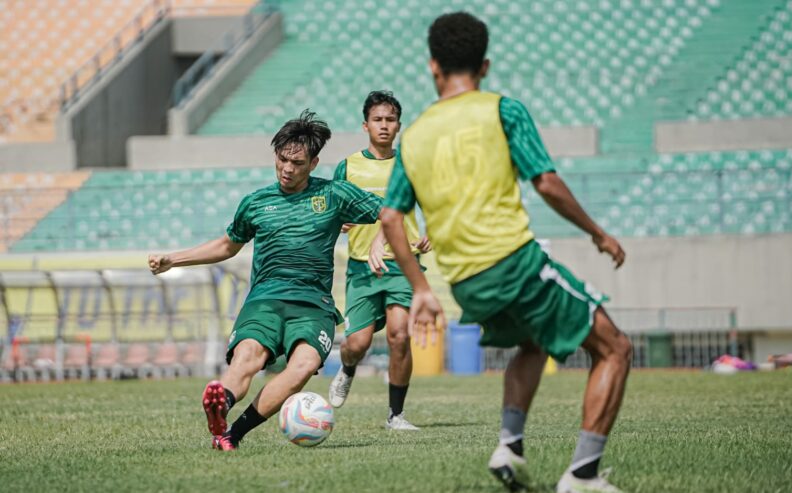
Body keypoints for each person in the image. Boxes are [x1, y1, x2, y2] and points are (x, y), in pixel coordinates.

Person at [379, 12, 633, 493]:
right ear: (486, 65)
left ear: (433, 67)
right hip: (514, 262)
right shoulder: (502, 110)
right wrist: (598, 233)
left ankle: (510, 448)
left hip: (466, 282)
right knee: (615, 349)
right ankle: (583, 475)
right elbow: (547, 183)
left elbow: (391, 218)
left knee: (533, 343)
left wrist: (420, 290)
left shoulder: (414, 135)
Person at [148, 110, 385, 451]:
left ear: (314, 163)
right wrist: (174, 259)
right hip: (265, 300)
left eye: (297, 163)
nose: (287, 169)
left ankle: (232, 435)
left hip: (313, 305)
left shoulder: (335, 195)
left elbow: (390, 210)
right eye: (282, 159)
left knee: (302, 366)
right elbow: (228, 245)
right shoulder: (257, 203)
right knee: (249, 356)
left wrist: (378, 238)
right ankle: (221, 405)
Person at [328, 90, 431, 430]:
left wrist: (434, 230)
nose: (384, 126)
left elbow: (433, 203)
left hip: (404, 263)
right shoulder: (348, 166)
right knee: (355, 344)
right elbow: (334, 208)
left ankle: (395, 415)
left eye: (390, 120)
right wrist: (338, 221)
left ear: (398, 126)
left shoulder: (411, 163)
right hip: (361, 266)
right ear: (365, 125)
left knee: (399, 335)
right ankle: (347, 368)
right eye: (377, 120)